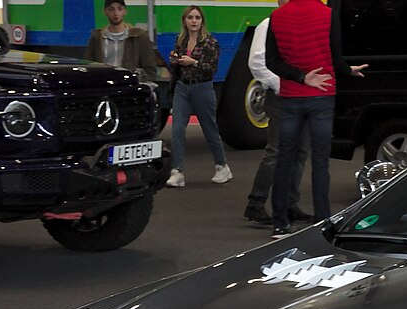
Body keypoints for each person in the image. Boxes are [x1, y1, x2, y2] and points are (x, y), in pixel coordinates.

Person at [266, 0, 367, 237]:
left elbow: (272, 62)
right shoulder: (327, 14)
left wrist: (300, 77)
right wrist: (347, 70)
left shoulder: (277, 16)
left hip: (291, 96)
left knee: (284, 159)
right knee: (320, 162)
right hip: (322, 95)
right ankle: (322, 220)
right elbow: (335, 56)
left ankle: (280, 223)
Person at [243, 0, 311, 226]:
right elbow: (257, 63)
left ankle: (290, 205)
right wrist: (281, 85)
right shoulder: (269, 25)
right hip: (282, 97)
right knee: (276, 152)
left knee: (300, 153)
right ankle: (255, 203)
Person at [166, 5, 232, 188]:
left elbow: (212, 68)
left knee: (210, 129)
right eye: (190, 17)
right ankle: (177, 171)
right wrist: (175, 60)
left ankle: (222, 166)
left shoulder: (210, 42)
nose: (194, 21)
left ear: (202, 21)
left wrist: (193, 62)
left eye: (197, 17)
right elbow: (176, 68)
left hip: (202, 88)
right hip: (182, 88)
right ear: (184, 21)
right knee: (177, 129)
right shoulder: (180, 40)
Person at [85, 0, 161, 79]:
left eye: (120, 9)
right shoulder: (96, 38)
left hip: (128, 83)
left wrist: (135, 80)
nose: (116, 13)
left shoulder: (139, 37)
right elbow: (88, 66)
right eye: (111, 9)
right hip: (104, 83)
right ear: (105, 12)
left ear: (125, 11)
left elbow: (150, 71)